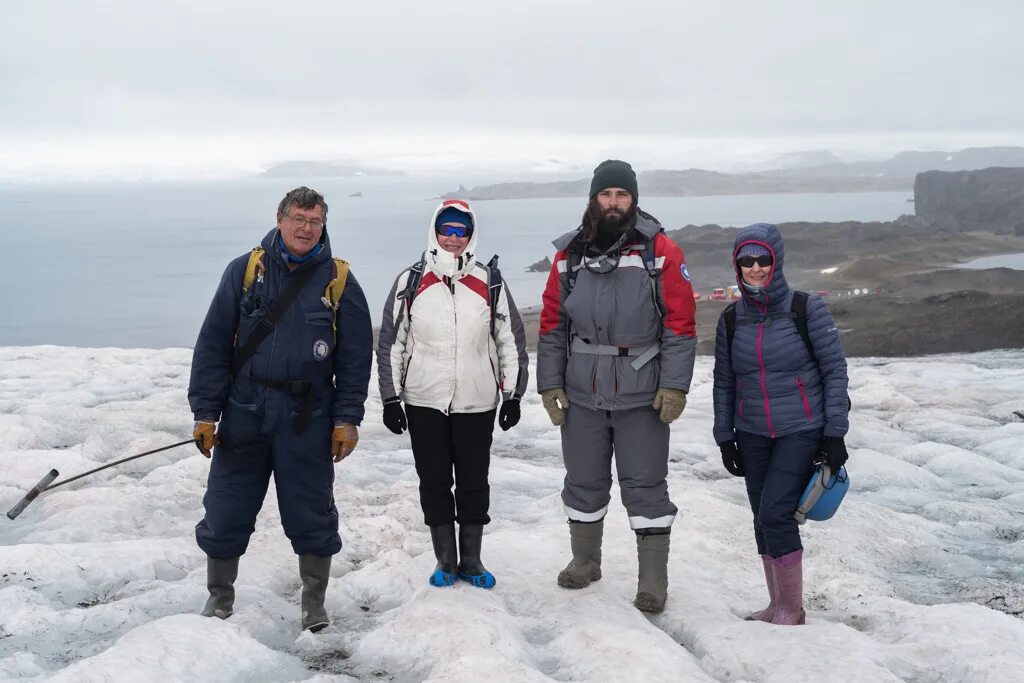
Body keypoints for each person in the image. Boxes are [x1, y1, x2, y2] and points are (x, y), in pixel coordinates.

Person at [189, 187, 372, 631]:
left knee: (311, 510)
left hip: (307, 417)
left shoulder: (339, 280)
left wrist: (347, 419)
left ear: (323, 224)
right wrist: (205, 412)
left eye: (315, 221)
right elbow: (213, 343)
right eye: (298, 218)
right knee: (227, 507)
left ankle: (314, 604)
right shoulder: (245, 271)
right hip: (245, 410)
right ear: (280, 218)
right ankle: (220, 598)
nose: (306, 228)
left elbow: (354, 358)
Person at [536, 160, 697, 613]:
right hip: (581, 392)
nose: (613, 203)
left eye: (621, 195)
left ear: (633, 199)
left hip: (641, 393)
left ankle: (652, 581)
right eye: (605, 195)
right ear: (593, 199)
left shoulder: (659, 252)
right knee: (583, 481)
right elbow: (552, 326)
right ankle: (585, 561)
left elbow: (681, 326)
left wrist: (675, 386)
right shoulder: (568, 256)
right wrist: (550, 385)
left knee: (645, 486)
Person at [377, 199, 528, 589]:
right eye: (447, 229)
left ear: (471, 234)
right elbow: (392, 343)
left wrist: (512, 395)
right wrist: (391, 399)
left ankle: (472, 561)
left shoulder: (489, 281)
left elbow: (509, 340)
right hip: (424, 400)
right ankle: (445, 559)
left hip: (477, 401)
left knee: (474, 481)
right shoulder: (410, 281)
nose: (454, 238)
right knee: (434, 480)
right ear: (435, 231)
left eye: (462, 230)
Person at [712, 222, 850, 626]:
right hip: (752, 432)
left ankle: (791, 609)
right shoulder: (731, 319)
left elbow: (835, 372)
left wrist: (835, 434)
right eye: (746, 261)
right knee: (761, 517)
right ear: (737, 266)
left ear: (777, 261)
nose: (754, 268)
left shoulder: (806, 309)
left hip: (801, 429)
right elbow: (724, 380)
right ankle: (775, 606)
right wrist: (725, 437)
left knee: (775, 513)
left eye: (762, 260)